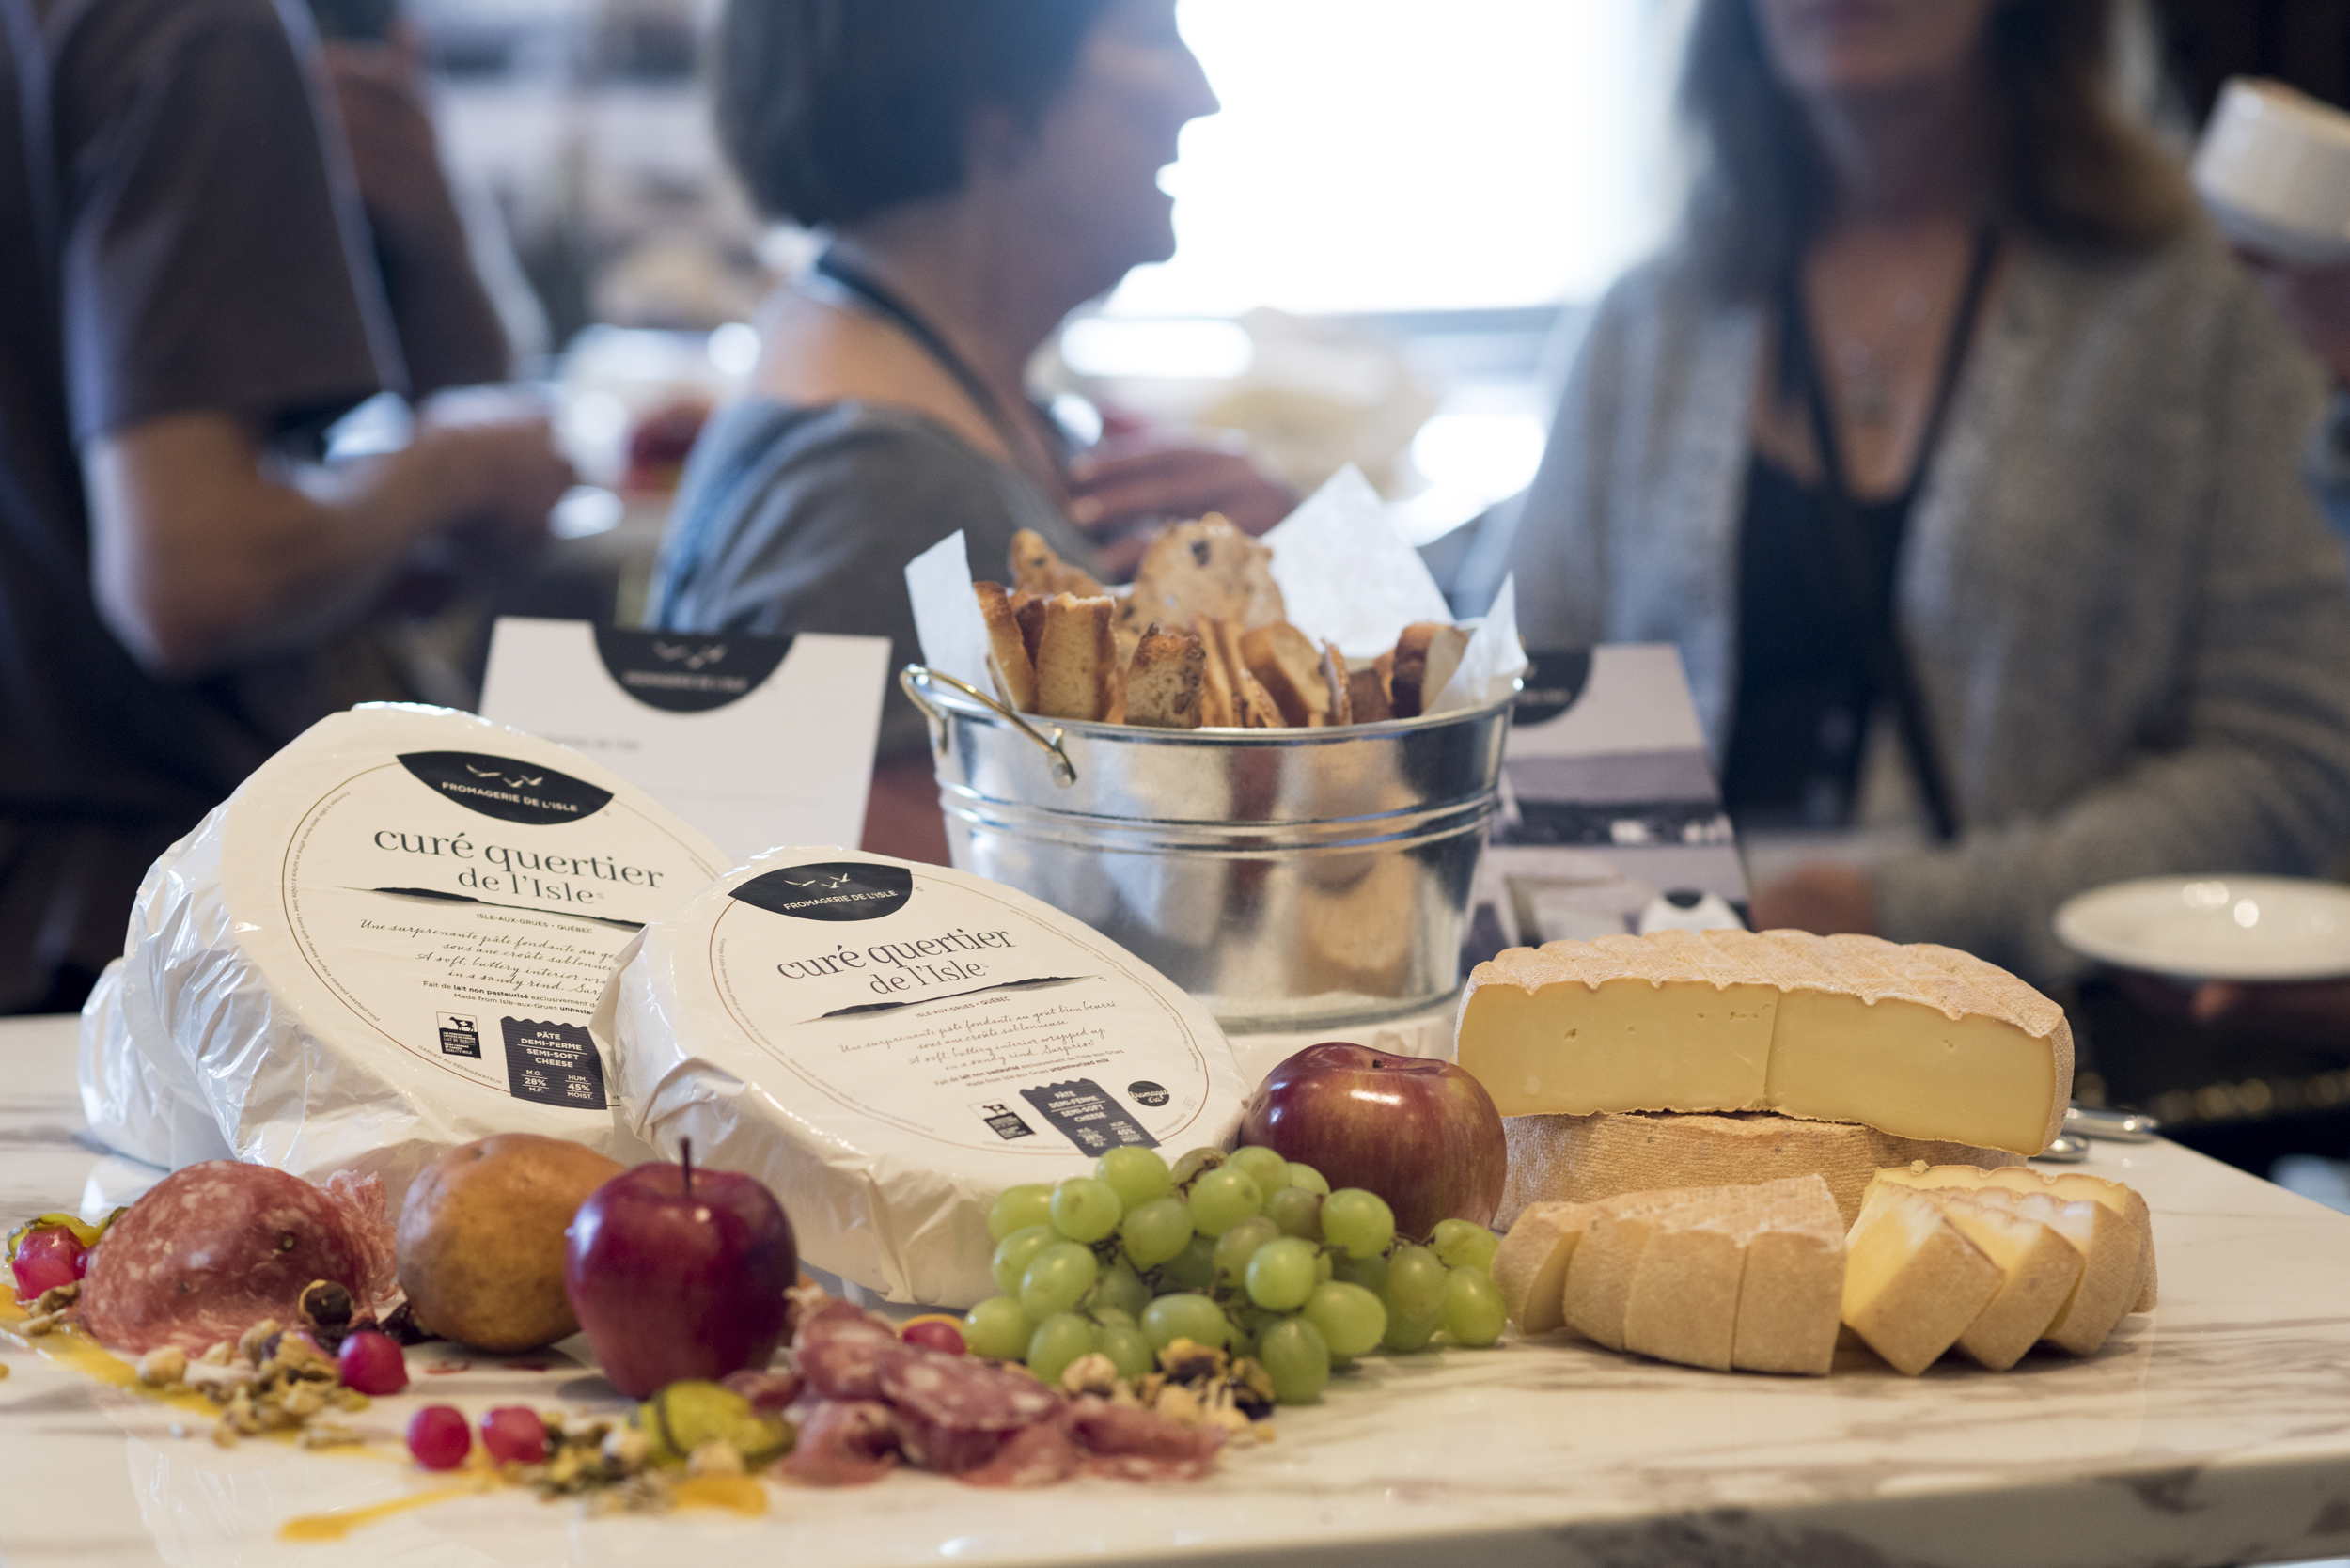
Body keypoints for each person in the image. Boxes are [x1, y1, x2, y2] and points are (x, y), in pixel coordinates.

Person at [1452, 0, 2350, 989]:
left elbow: (2290, 760)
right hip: (1673, 1015)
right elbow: (1499, 709)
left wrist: (1901, 916)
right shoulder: (1649, 320)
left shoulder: (2202, 301)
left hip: (2046, 1025)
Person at [0, 0, 572, 1014]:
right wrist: (453, 467)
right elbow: (196, 575)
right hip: (118, 919)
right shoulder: (196, 29)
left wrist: (431, 227)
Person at [648, 0, 1295, 861]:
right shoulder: (879, 488)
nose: (1198, 95)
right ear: (995, 96)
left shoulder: (934, 397)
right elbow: (924, 919)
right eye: (1150, 36)